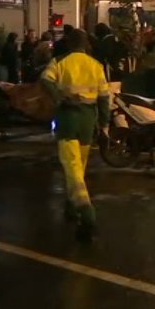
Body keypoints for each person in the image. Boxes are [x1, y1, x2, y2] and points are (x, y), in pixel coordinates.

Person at [39, 28, 111, 241]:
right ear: (86, 44)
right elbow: (104, 98)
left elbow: (45, 79)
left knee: (73, 169)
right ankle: (71, 206)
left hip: (68, 119)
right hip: (87, 121)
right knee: (80, 165)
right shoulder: (96, 65)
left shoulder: (60, 61)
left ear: (69, 43)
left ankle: (87, 214)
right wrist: (104, 126)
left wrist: (58, 97)